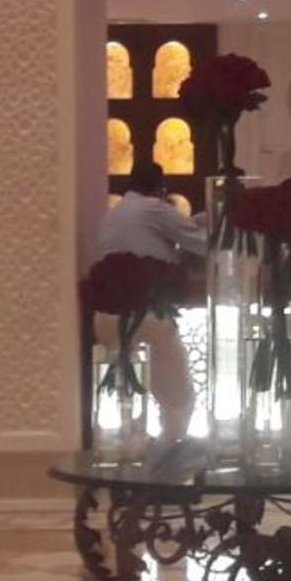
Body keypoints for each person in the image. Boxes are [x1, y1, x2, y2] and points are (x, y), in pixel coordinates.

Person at [94, 163, 206, 443]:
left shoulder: (114, 213)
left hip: (105, 317)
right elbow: (206, 244)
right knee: (178, 398)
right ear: (159, 188)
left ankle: (128, 450)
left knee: (124, 392)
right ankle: (168, 455)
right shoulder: (154, 208)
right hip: (147, 315)